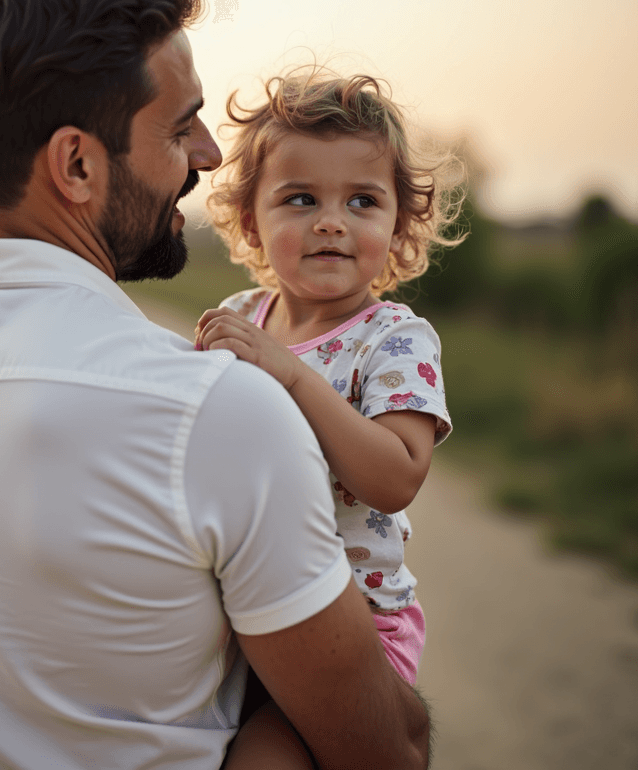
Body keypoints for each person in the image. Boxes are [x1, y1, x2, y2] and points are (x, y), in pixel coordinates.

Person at [0, 0, 430, 770]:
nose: (207, 154)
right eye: (178, 126)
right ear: (79, 164)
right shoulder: (216, 413)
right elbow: (388, 750)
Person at [195, 68, 464, 762]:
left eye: (363, 201)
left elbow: (397, 477)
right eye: (301, 197)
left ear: (398, 222)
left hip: (355, 625)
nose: (331, 221)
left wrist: (290, 374)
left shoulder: (394, 340)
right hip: (243, 610)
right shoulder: (238, 318)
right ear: (251, 218)